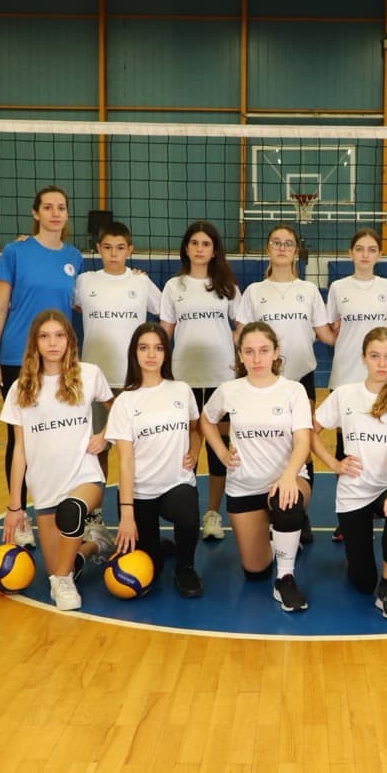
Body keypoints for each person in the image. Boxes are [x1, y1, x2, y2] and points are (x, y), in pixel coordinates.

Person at [0, 186, 85, 548]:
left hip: (61, 360)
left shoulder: (74, 257)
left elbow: (81, 301)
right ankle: (20, 514)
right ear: (35, 213)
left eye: (61, 207)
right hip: (18, 356)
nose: (56, 213)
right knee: (21, 440)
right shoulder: (15, 251)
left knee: (62, 436)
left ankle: (65, 512)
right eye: (48, 207)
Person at [0, 310, 112, 611]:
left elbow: (119, 408)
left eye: (59, 335)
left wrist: (104, 435)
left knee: (71, 514)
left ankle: (63, 580)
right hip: (45, 488)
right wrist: (14, 507)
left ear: (70, 340)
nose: (52, 343)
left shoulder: (89, 374)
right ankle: (95, 544)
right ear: (35, 343)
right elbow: (19, 450)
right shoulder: (20, 388)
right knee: (61, 566)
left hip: (84, 477)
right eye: (45, 336)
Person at [199, 322, 313, 613]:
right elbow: (206, 420)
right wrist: (221, 452)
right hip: (244, 486)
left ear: (276, 352)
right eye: (249, 351)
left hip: (287, 481)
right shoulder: (229, 390)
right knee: (255, 570)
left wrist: (289, 476)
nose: (257, 358)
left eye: (264, 350)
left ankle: (285, 578)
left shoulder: (293, 390)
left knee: (287, 502)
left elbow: (303, 441)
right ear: (240, 355)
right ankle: (281, 540)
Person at [312, 327, 387, 619]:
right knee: (362, 582)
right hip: (354, 491)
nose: (381, 363)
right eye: (375, 356)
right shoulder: (345, 395)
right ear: (363, 358)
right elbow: (309, 431)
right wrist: (334, 464)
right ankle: (360, 560)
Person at [235, 223, 335, 544]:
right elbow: (241, 336)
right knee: (269, 444)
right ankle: (266, 508)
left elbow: (325, 335)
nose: (282, 248)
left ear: (295, 251)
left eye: (288, 243)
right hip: (263, 383)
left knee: (302, 445)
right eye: (276, 242)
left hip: (301, 379)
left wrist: (360, 326)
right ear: (268, 248)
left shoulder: (309, 291)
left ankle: (298, 512)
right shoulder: (254, 292)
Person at [105, 322, 204, 598]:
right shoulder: (125, 401)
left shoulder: (181, 390)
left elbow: (196, 429)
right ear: (134, 353)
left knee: (187, 511)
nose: (151, 355)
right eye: (144, 348)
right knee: (150, 568)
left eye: (158, 348)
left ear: (166, 354)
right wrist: (126, 515)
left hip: (176, 485)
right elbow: (125, 462)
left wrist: (195, 451)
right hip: (140, 493)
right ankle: (156, 547)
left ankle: (185, 567)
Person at [159, 221, 240, 544]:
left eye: (206, 243)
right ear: (186, 248)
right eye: (194, 243)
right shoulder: (173, 286)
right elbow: (165, 331)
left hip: (222, 377)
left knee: (219, 449)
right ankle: (188, 513)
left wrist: (229, 350)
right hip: (184, 377)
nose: (200, 248)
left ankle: (212, 514)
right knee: (187, 448)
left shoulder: (227, 286)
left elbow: (241, 328)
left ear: (215, 250)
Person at [325, 228, 387, 542]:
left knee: (378, 441)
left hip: (379, 376)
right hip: (345, 374)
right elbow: (330, 328)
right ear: (351, 253)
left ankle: (380, 503)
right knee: (346, 446)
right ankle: (348, 516)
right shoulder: (338, 287)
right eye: (359, 249)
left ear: (379, 254)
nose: (365, 254)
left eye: (371, 249)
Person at [74, 222, 162, 472]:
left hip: (132, 378)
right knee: (96, 447)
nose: (113, 254)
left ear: (129, 250)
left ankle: (135, 494)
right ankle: (96, 497)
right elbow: (73, 304)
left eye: (120, 248)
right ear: (98, 248)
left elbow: (165, 311)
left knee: (135, 445)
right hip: (94, 379)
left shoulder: (141, 282)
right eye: (108, 247)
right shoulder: (85, 281)